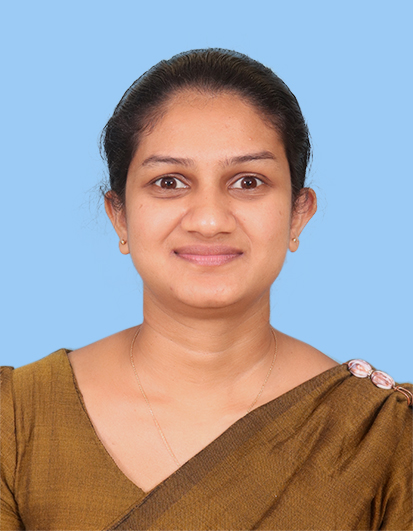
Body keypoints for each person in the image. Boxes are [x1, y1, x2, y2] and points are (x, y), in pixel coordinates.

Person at [1, 49, 411, 531]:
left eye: (248, 182)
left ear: (298, 213)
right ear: (120, 216)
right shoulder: (16, 418)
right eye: (169, 182)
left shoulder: (382, 437)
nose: (210, 220)